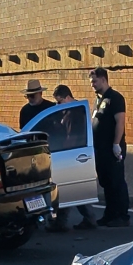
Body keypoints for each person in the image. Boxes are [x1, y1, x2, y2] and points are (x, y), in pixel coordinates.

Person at [50, 84, 98, 231]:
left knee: (68, 190)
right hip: (76, 154)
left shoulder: (73, 113)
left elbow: (71, 137)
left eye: (59, 101)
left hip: (72, 154)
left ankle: (60, 223)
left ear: (68, 97)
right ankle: (87, 219)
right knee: (74, 190)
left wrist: (60, 150)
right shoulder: (73, 111)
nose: (57, 105)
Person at [89, 67, 129, 227]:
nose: (92, 84)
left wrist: (116, 144)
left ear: (104, 79)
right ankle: (110, 213)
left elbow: (120, 122)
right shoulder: (99, 99)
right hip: (100, 149)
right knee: (106, 182)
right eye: (91, 82)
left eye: (94, 81)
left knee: (116, 181)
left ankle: (122, 215)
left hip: (112, 148)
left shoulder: (115, 98)